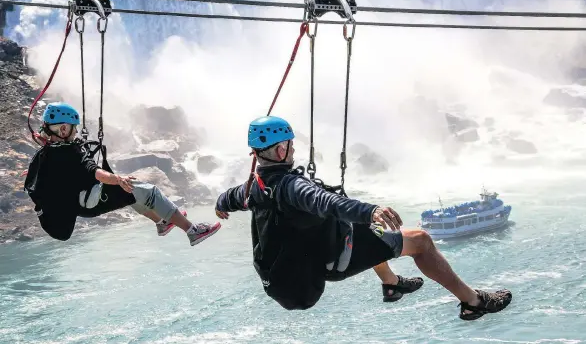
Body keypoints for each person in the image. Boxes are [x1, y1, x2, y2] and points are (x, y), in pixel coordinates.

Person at [214, 115, 512, 320]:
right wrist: (370, 210)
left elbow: (227, 198)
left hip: (287, 271)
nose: (293, 149)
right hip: (327, 262)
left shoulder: (252, 188)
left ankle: (392, 284)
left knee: (371, 233)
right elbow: (327, 202)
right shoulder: (293, 187)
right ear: (281, 149)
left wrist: (220, 206)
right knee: (420, 241)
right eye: (290, 144)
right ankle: (473, 303)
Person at [24, 102, 221, 245]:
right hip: (86, 202)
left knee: (128, 194)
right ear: (64, 129)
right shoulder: (69, 153)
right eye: (74, 129)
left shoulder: (48, 152)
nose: (76, 133)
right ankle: (192, 231)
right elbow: (96, 172)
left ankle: (161, 222)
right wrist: (118, 179)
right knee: (146, 191)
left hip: (76, 202)